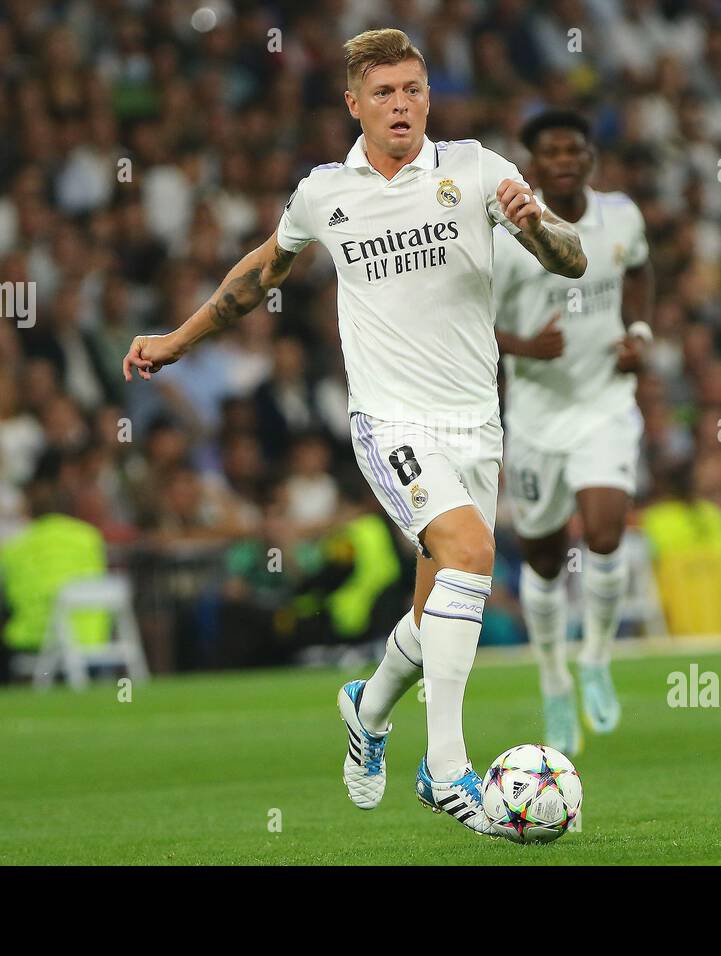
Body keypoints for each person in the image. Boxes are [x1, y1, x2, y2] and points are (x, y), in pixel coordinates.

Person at [122, 28, 586, 837]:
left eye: (412, 89)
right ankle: (447, 770)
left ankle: (366, 713)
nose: (400, 104)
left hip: (475, 423)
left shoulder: (478, 170)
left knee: (438, 607)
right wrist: (173, 340)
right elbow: (256, 274)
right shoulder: (325, 195)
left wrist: (535, 226)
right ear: (354, 105)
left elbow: (570, 259)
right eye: (383, 93)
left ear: (428, 96)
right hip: (390, 421)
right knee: (474, 555)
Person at [491, 110, 653, 756]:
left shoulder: (623, 216)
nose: (564, 159)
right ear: (531, 163)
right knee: (545, 559)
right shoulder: (506, 236)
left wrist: (638, 334)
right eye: (550, 151)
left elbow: (639, 270)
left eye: (574, 149)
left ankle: (596, 657)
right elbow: (465, 321)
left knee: (608, 531)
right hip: (534, 417)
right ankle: (554, 678)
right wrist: (523, 345)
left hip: (606, 404)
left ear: (590, 156)